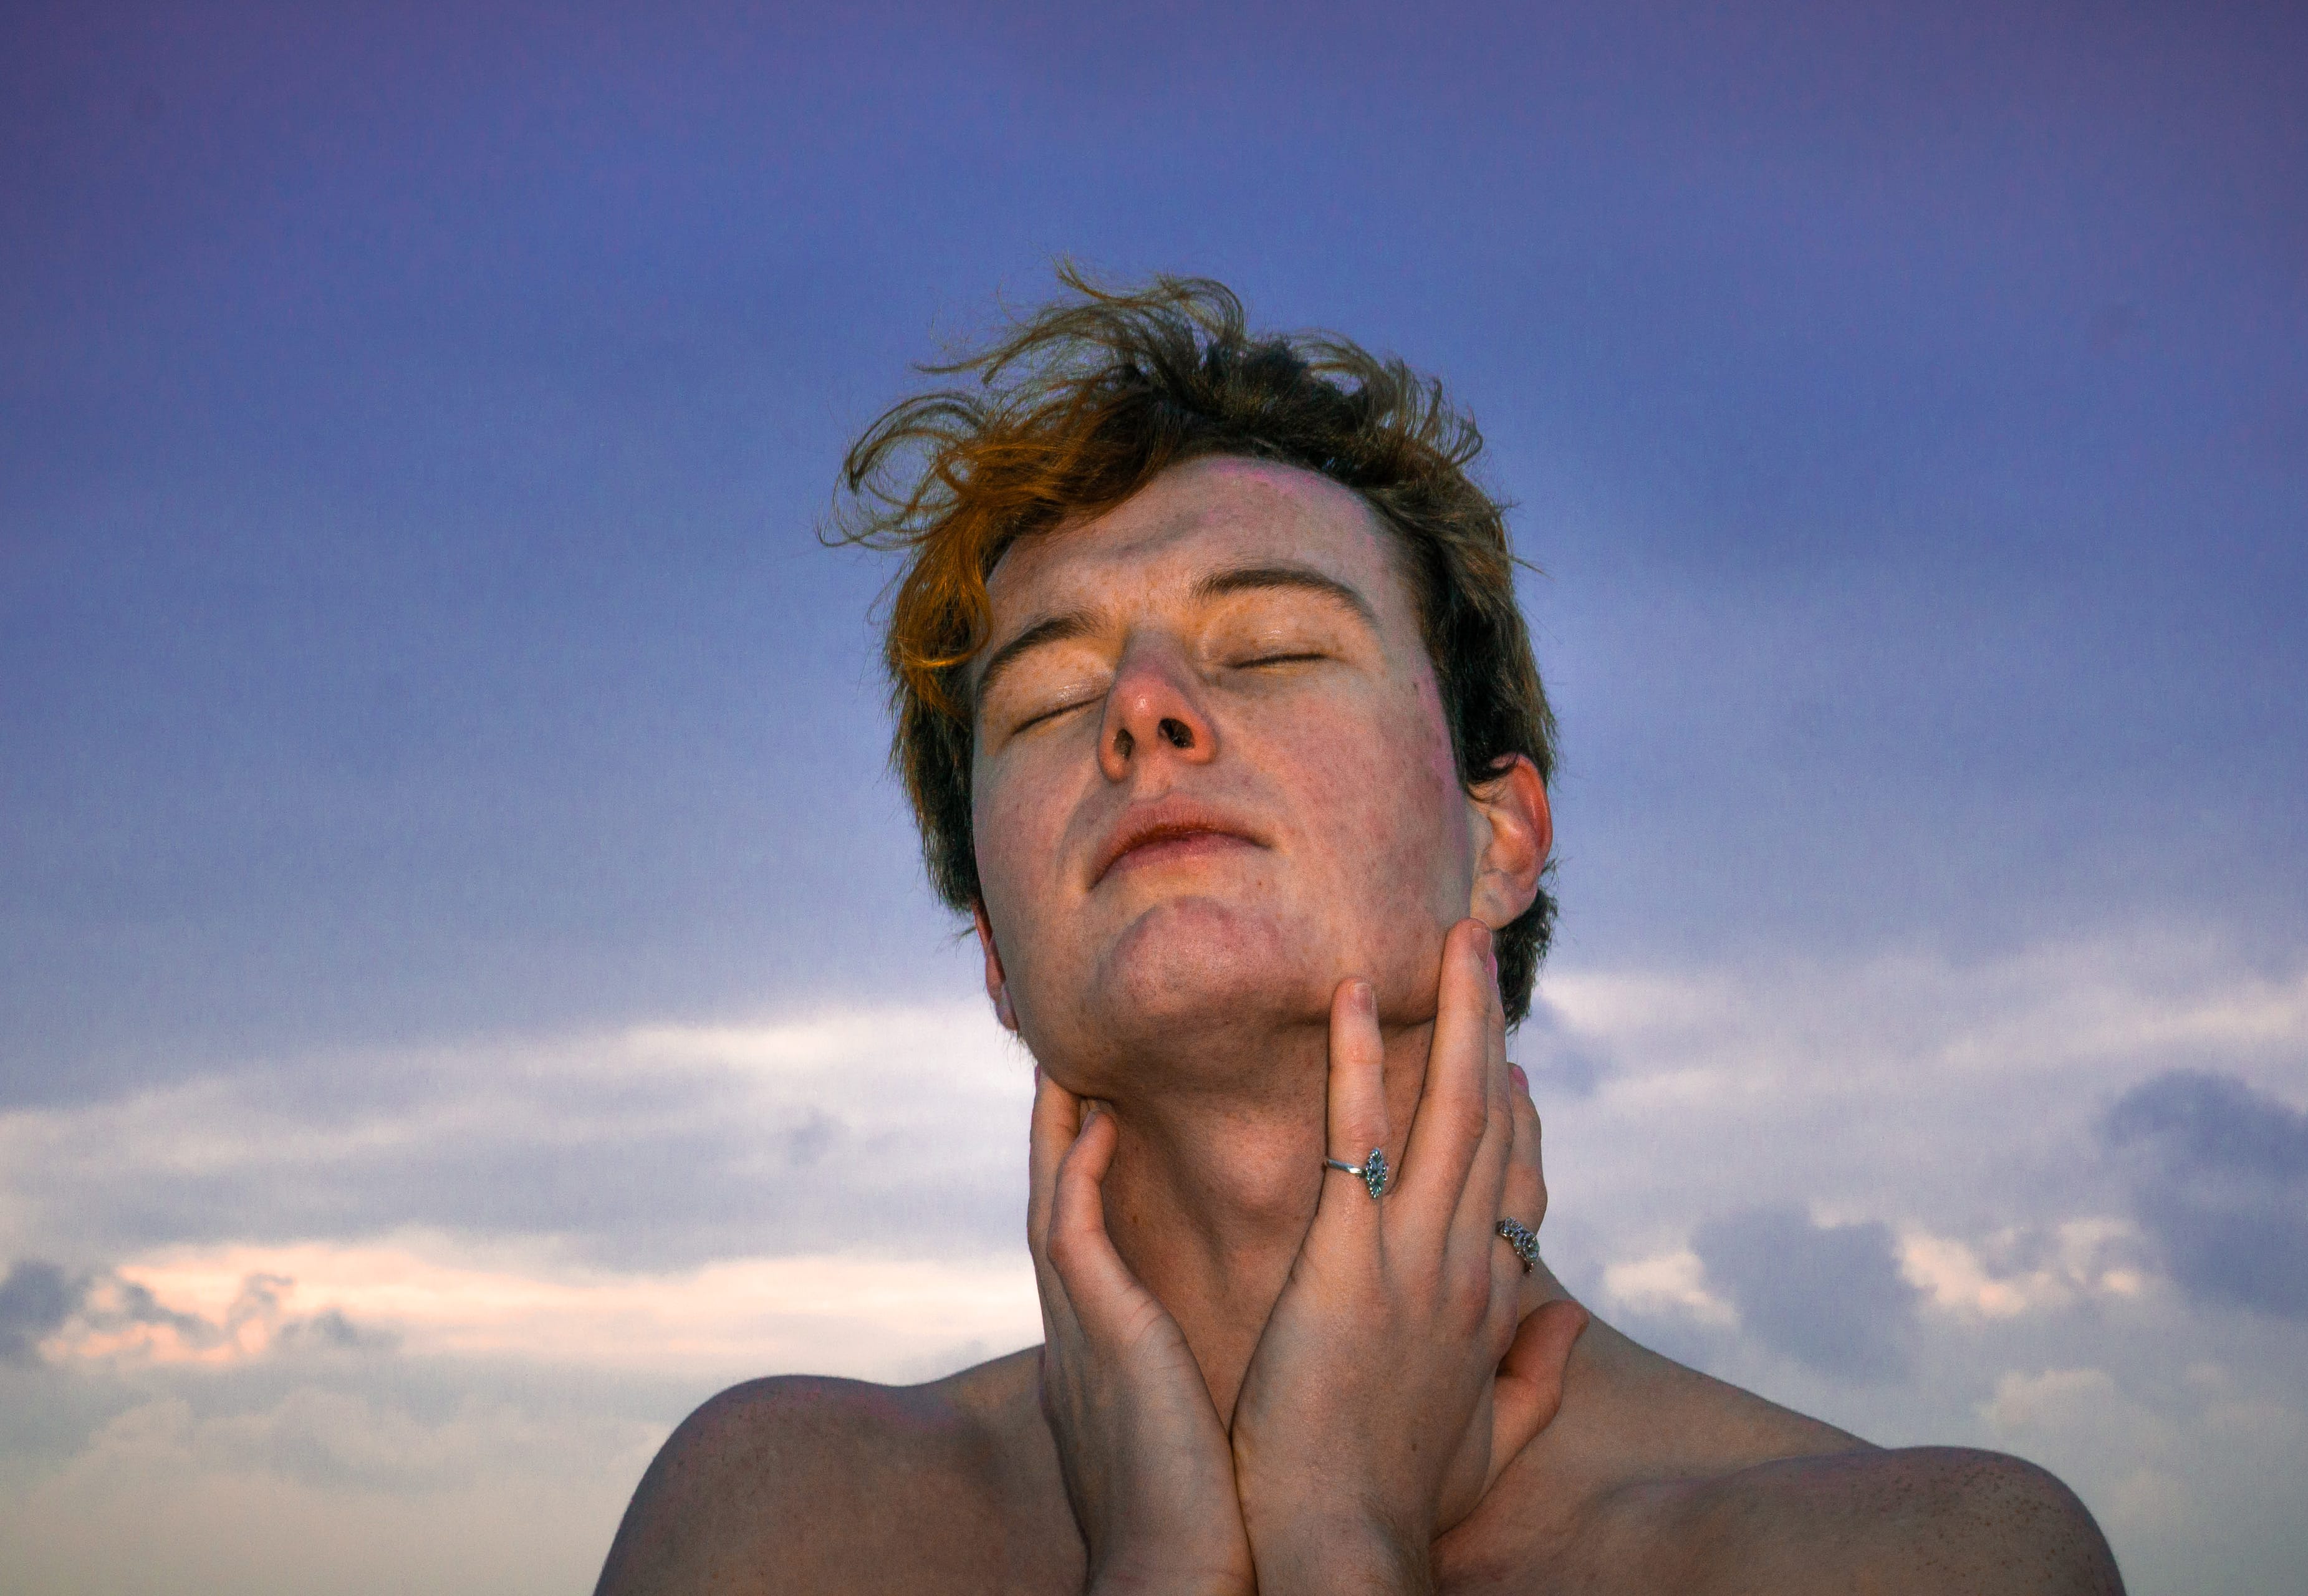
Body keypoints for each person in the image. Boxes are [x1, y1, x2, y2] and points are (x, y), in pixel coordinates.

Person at [594, 274, 2124, 1594]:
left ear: (1499, 834)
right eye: (1049, 699)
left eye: (1274, 643)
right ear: (994, 946)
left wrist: (1342, 1533)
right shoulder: (781, 1518)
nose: (1140, 707)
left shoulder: (1925, 1553)